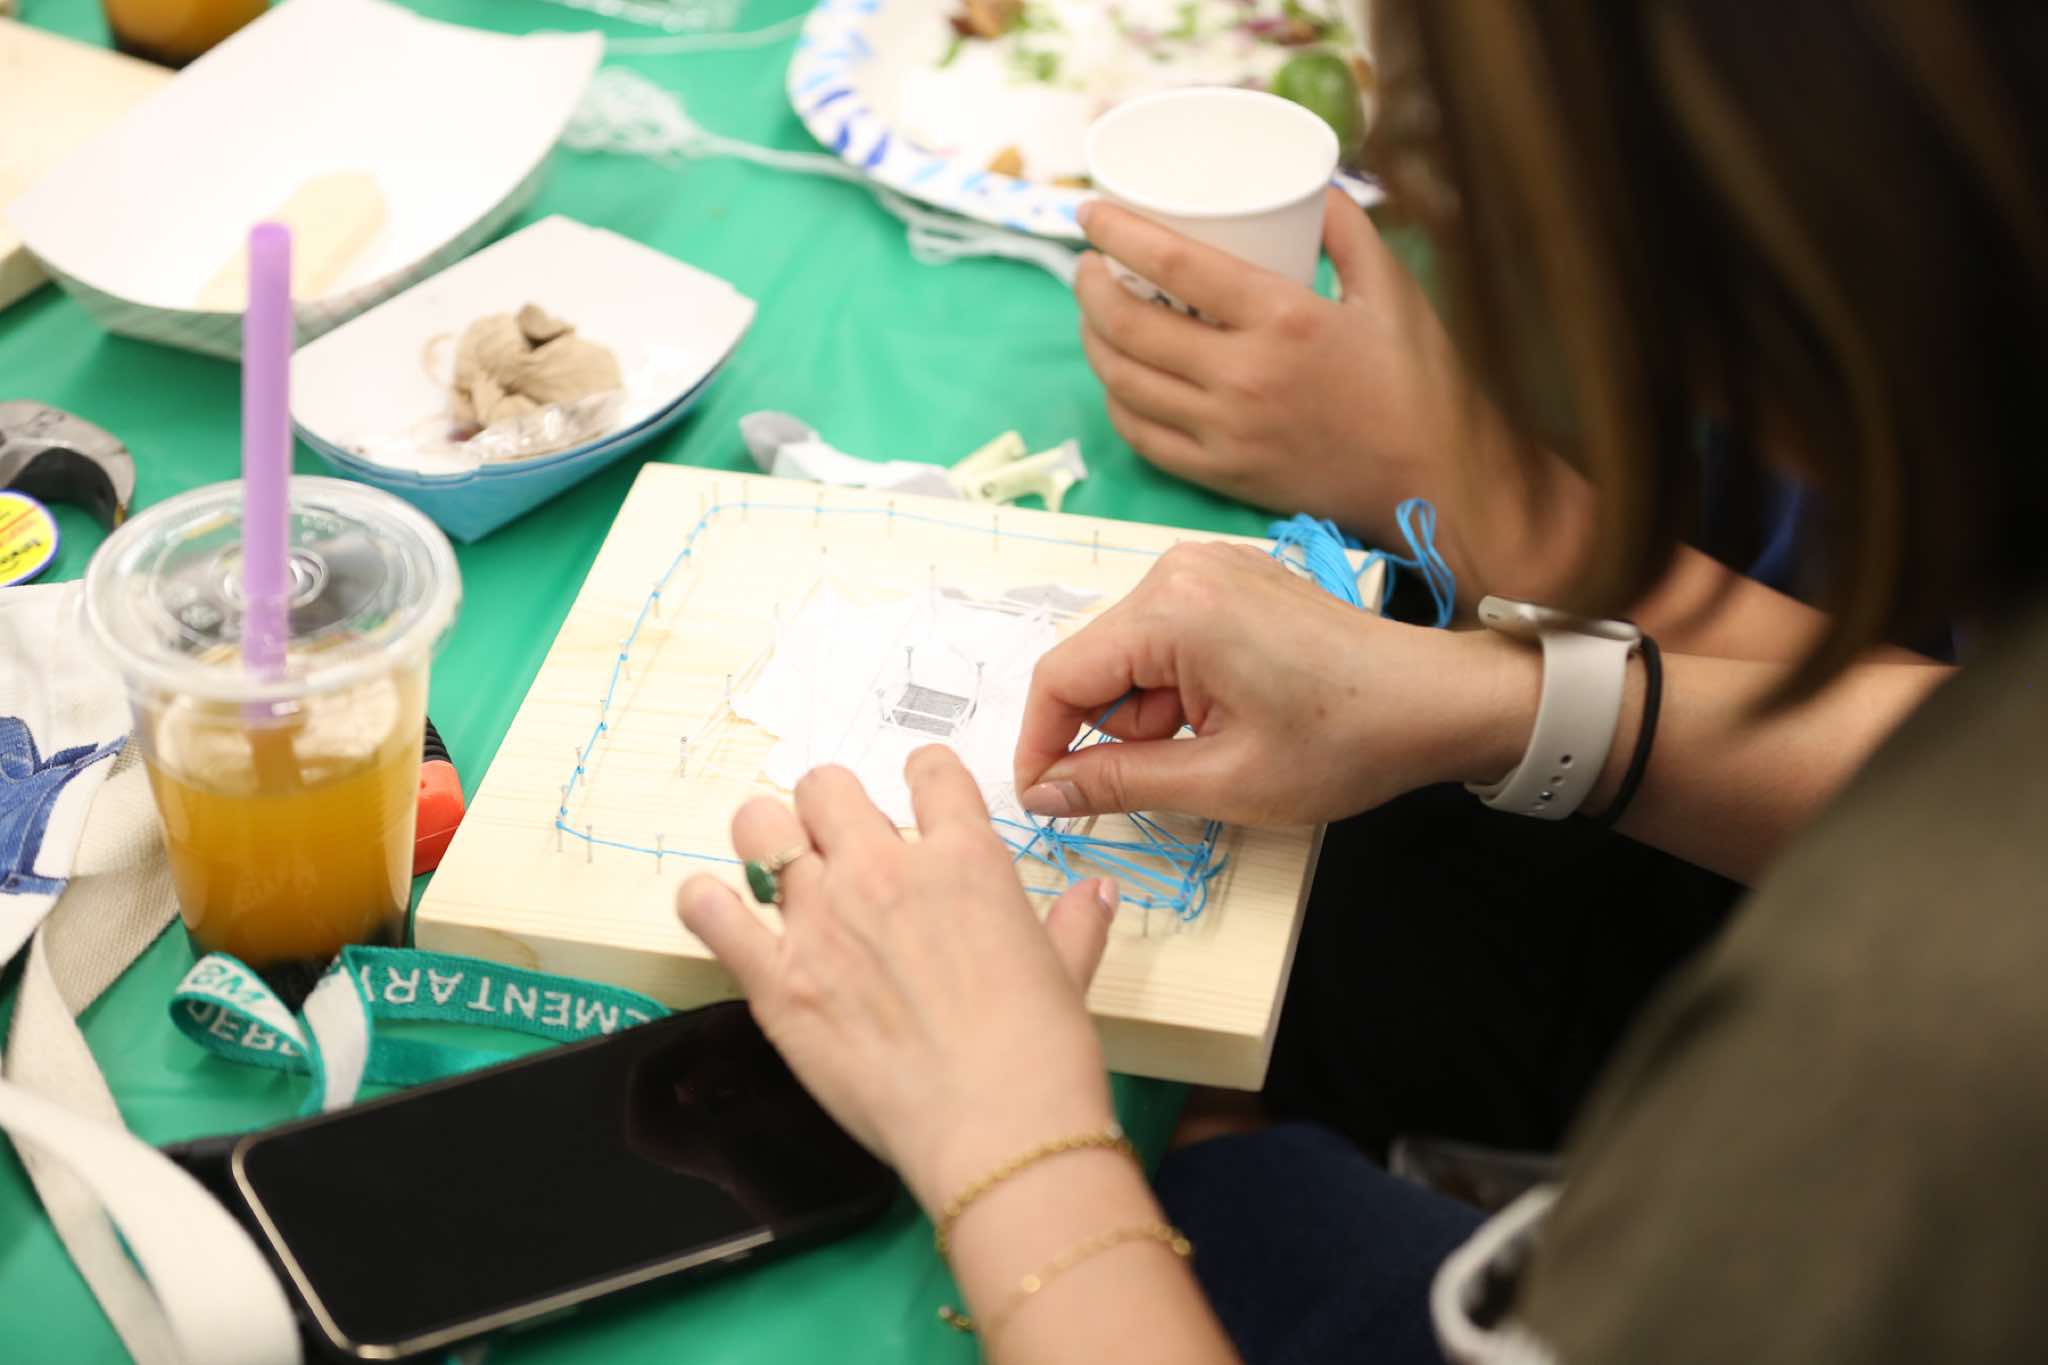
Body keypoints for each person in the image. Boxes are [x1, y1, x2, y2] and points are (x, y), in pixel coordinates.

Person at [674, 2, 2048, 1362]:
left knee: (1215, 1177)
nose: (1451, 216)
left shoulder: (1910, 1058)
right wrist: (1512, 702)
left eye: (1477, 167)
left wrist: (1012, 1142)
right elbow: (1974, 767)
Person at [1071, 2, 1957, 1160]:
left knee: (1218, 1160)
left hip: (1849, 1011)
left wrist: (1461, 492)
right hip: (1809, 827)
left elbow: (1976, 796)